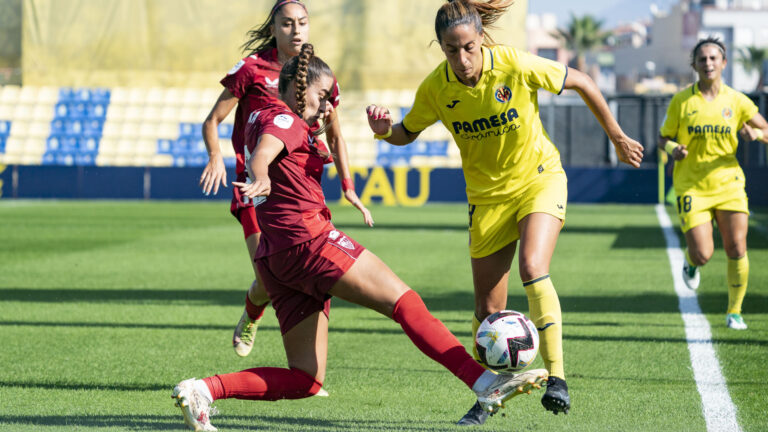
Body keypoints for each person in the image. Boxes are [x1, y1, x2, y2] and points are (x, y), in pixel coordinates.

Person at [172, 43, 550, 432]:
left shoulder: (260, 114)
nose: (326, 107)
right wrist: (262, 173)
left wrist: (289, 153)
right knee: (406, 304)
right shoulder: (284, 120)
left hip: (275, 259)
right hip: (311, 243)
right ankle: (485, 382)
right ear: (299, 88)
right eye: (322, 97)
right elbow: (264, 154)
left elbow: (273, 143)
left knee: (306, 378)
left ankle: (203, 389)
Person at [365, 0, 644, 425]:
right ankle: (489, 395)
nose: (462, 59)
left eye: (469, 48)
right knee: (488, 314)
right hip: (487, 201)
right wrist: (385, 133)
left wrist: (618, 137)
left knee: (534, 266)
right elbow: (407, 131)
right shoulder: (436, 89)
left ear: (482, 40)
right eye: (450, 50)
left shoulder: (512, 64)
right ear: (440, 48)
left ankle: (558, 379)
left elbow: (584, 81)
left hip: (539, 178)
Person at [198, 0, 372, 358]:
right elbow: (212, 120)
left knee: (310, 276)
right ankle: (253, 314)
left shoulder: (319, 75)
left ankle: (308, 369)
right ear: (274, 28)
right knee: (269, 277)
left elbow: (335, 136)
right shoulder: (251, 69)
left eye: (302, 23)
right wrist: (216, 155)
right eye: (288, 24)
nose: (296, 30)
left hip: (299, 194)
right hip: (255, 192)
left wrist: (348, 188)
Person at [659, 36, 767, 330]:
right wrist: (673, 150)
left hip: (729, 184)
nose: (708, 63)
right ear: (693, 65)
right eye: (702, 59)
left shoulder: (737, 100)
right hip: (692, 186)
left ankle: (734, 311)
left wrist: (754, 135)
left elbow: (766, 130)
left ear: (723, 63)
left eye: (713, 58)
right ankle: (692, 262)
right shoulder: (682, 101)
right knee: (703, 253)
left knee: (736, 246)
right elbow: (662, 138)